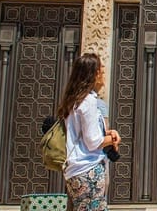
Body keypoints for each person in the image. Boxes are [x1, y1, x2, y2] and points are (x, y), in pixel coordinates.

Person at [58, 53, 120, 210]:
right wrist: (113, 139)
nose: (103, 73)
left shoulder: (74, 101)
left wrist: (107, 133)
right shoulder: (89, 101)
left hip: (75, 171)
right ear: (94, 73)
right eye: (100, 70)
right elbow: (93, 142)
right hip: (88, 170)